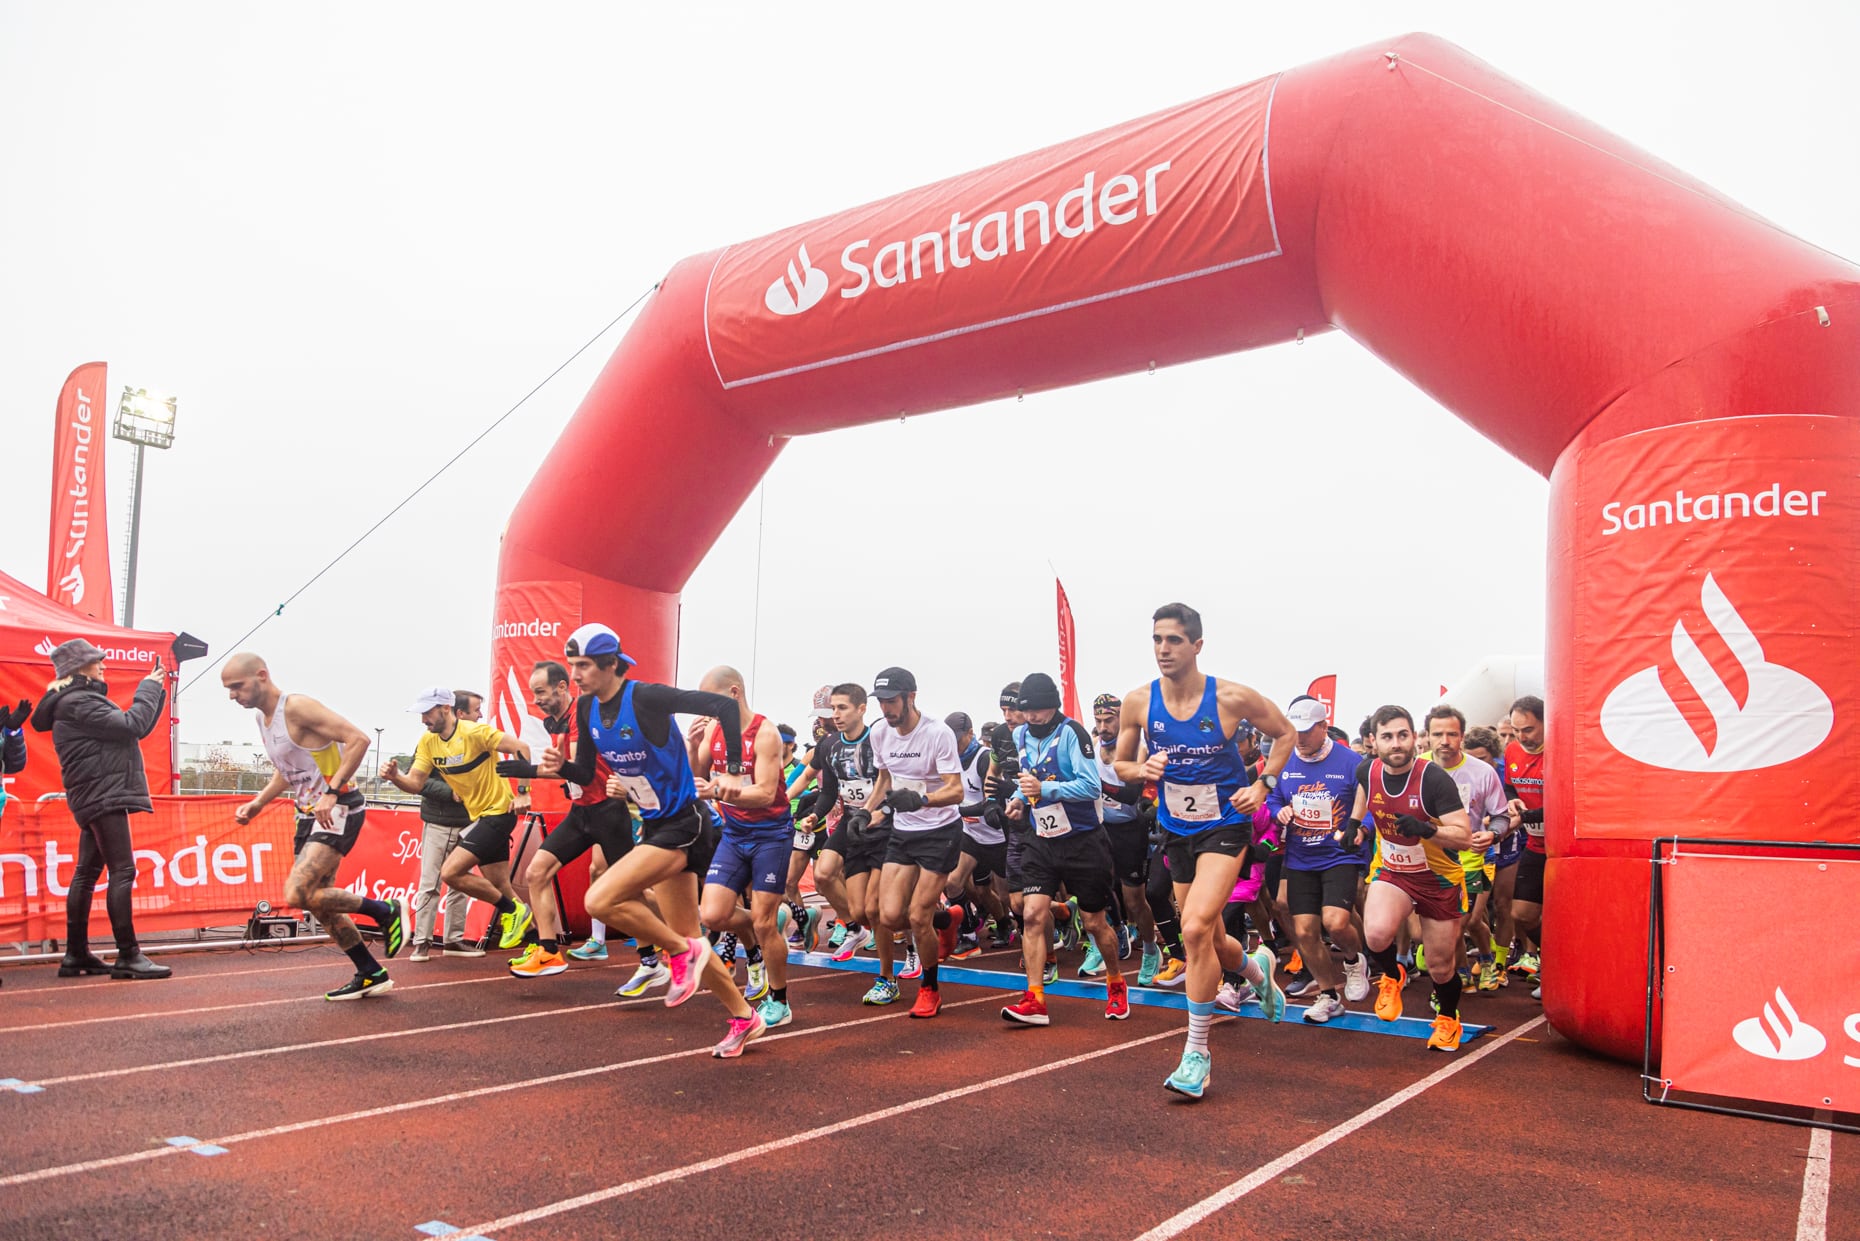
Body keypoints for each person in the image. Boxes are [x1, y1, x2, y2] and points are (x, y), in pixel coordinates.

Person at [538, 623, 768, 1057]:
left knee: (599, 900)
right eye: (572, 665)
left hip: (686, 824)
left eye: (583, 665)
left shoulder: (646, 697)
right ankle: (743, 1015)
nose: (575, 674)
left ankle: (679, 953)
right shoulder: (586, 709)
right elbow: (586, 773)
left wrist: (734, 768)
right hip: (656, 824)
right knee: (690, 935)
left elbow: (721, 704)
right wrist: (560, 768)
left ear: (611, 664)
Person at [1113, 603, 1293, 1100]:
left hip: (1226, 826)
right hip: (1176, 830)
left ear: (1196, 645)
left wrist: (1263, 785)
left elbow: (1285, 734)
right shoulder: (1138, 702)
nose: (1163, 649)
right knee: (1210, 941)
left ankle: (1196, 1054)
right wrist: (1142, 771)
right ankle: (1258, 970)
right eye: (1156, 640)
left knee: (1192, 928)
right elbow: (1121, 765)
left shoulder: (1231, 697)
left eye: (1173, 640)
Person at [223, 653, 400, 999]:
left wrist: (332, 793)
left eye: (236, 687)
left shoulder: (297, 707)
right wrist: (258, 803)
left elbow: (359, 740)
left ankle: (386, 910)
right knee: (318, 904)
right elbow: (288, 770)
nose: (232, 696)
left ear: (261, 676)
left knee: (296, 893)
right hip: (308, 814)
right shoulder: (263, 718)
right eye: (228, 690)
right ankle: (370, 970)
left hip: (339, 808)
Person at [30, 639, 171, 980]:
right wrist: (147, 689)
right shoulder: (80, 701)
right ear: (80, 669)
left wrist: (154, 691)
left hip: (93, 793)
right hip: (103, 793)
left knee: (86, 873)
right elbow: (131, 726)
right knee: (122, 871)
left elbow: (133, 730)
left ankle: (76, 954)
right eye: (98, 661)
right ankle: (128, 954)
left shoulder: (73, 701)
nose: (104, 665)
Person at [1341, 705, 1474, 1051]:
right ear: (1373, 741)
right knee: (1376, 933)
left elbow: (1463, 835)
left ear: (1415, 737)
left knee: (1440, 966)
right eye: (1387, 737)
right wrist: (1355, 823)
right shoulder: (1366, 770)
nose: (1396, 743)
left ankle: (1448, 1017)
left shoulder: (1433, 778)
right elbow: (1363, 789)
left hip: (1438, 879)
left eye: (1403, 735)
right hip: (1393, 871)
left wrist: (1427, 830)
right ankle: (1391, 976)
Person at [998, 673, 1129, 1026]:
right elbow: (1027, 780)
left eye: (1038, 710)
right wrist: (1017, 801)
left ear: (1053, 705)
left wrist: (1046, 789)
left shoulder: (1073, 733)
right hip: (1042, 838)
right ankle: (1035, 998)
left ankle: (1116, 982)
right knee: (1032, 914)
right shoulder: (1019, 734)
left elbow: (1089, 786)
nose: (1031, 717)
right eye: (1026, 711)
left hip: (1083, 840)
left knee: (1094, 922)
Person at [501, 660, 633, 979]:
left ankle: (683, 934)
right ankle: (549, 952)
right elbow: (566, 770)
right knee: (537, 872)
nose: (536, 700)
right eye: (533, 693)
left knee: (634, 890)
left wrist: (529, 771)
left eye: (542, 692)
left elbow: (576, 767)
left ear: (563, 687)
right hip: (581, 812)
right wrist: (530, 772)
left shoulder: (580, 715)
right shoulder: (553, 722)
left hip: (608, 812)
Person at [379, 688, 533, 957]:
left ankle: (513, 911)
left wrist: (523, 792)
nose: (424, 720)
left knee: (451, 873)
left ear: (446, 709)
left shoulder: (475, 732)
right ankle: (539, 943)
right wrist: (395, 777)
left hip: (498, 813)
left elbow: (522, 748)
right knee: (501, 886)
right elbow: (415, 783)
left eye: (428, 713)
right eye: (422, 714)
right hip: (480, 817)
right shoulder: (428, 742)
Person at [693, 666, 798, 1030]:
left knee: (765, 920)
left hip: (772, 834)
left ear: (734, 693)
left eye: (711, 701)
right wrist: (693, 748)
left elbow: (766, 792)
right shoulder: (713, 729)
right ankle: (755, 939)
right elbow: (699, 775)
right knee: (712, 915)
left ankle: (780, 1000)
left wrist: (719, 791)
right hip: (735, 835)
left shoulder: (765, 734)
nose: (706, 710)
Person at [861, 667, 965, 1018]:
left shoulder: (938, 734)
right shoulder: (879, 733)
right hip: (904, 832)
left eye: (892, 702)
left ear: (911, 697)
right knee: (889, 916)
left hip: (939, 831)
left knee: (916, 915)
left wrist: (922, 801)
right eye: (881, 703)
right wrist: (866, 812)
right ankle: (943, 921)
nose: (886, 709)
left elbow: (956, 789)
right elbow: (883, 779)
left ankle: (930, 987)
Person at [1266, 695, 1370, 1023]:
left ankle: (1354, 961)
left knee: (1336, 921)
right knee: (1306, 931)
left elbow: (1370, 805)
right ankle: (1328, 994)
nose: (1299, 738)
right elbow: (1271, 796)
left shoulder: (1351, 762)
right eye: (1294, 731)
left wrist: (1362, 831)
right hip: (1300, 857)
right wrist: (1277, 811)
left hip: (1339, 854)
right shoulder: (1282, 760)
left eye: (1306, 731)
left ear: (1324, 727)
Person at [1425, 706, 1513, 993]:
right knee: (1436, 929)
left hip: (1472, 858)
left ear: (1462, 736)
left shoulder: (1482, 772)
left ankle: (1484, 963)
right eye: (1438, 734)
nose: (1445, 741)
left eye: (1452, 734)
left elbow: (1501, 815)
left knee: (1463, 922)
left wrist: (1493, 833)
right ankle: (1462, 970)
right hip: (1431, 860)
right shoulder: (1416, 768)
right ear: (1427, 736)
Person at [801, 683, 887, 964]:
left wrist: (880, 809)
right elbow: (829, 791)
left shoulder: (878, 740)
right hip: (851, 819)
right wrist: (816, 813)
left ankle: (913, 945)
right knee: (824, 874)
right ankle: (853, 928)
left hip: (883, 822)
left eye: (842, 708)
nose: (835, 715)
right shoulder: (829, 745)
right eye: (832, 709)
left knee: (876, 908)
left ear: (861, 709)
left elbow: (892, 781)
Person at [1094, 693, 1163, 984]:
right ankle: (1114, 934)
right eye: (1098, 720)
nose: (1103, 726)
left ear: (1122, 719)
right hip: (1102, 827)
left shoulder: (1137, 749)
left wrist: (1098, 786)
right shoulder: (1094, 745)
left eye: (1109, 720)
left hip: (1130, 828)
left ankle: (1150, 949)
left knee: (1135, 899)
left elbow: (1132, 794)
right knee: (1097, 889)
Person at [944, 710, 1009, 959]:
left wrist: (958, 810)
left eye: (958, 738)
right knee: (953, 881)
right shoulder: (950, 761)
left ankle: (1011, 925)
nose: (954, 744)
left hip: (998, 838)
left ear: (970, 734)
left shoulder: (984, 760)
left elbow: (990, 802)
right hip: (971, 836)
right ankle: (968, 935)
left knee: (1007, 897)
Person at [1465, 724, 1520, 984]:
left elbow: (1515, 810)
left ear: (1493, 754)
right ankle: (1484, 958)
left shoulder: (1501, 773)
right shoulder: (1463, 771)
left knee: (1502, 904)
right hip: (1477, 848)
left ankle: (1499, 962)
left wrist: (1500, 826)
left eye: (1482, 758)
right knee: (1476, 913)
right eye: (1472, 757)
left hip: (1506, 843)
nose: (1476, 763)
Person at [409, 759, 477, 960]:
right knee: (430, 884)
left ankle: (454, 940)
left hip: (469, 823)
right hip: (437, 823)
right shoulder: (430, 743)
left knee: (463, 884)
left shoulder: (478, 740)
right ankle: (422, 942)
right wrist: (450, 793)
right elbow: (415, 780)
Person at [1503, 694, 1548, 999]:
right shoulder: (1512, 750)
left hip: (1565, 848)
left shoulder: (1562, 750)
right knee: (1522, 913)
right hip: (1535, 844)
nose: (1522, 737)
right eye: (1517, 730)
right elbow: (1509, 784)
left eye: (1529, 729)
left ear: (1546, 723)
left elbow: (1567, 800)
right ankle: (1556, 958)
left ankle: (1561, 970)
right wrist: (1511, 801)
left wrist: (1529, 815)